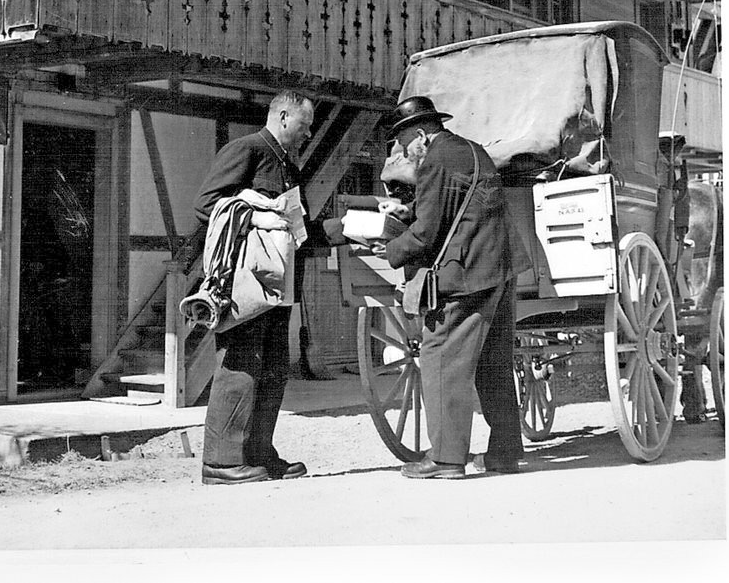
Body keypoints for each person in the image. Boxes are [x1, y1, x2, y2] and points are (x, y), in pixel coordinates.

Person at [371, 96, 532, 479]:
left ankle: (445, 459)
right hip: (501, 267)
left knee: (440, 357)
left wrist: (391, 248)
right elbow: (459, 205)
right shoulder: (471, 150)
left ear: (422, 136)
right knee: (494, 366)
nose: (403, 152)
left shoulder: (434, 161)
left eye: (404, 143)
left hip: (468, 275)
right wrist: (409, 213)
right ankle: (505, 453)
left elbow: (427, 234)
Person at [193, 90, 341, 485]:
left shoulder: (287, 166)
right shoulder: (247, 150)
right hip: (248, 283)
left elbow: (299, 230)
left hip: (280, 284)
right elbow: (208, 205)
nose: (309, 133)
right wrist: (262, 217)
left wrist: (353, 230)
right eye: (306, 125)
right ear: (283, 116)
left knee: (274, 368)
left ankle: (257, 452)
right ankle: (221, 463)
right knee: (241, 363)